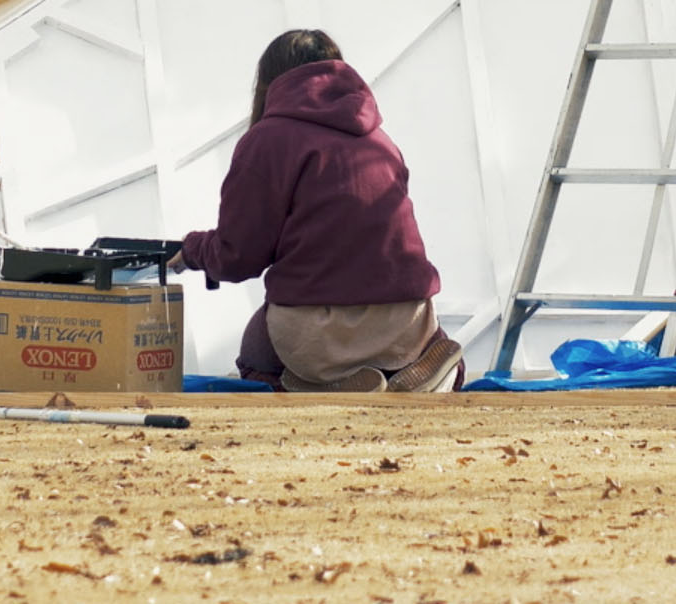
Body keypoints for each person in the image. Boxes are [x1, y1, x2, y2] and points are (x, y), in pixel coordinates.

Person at [175, 29, 463, 393]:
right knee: (425, 350)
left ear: (269, 82)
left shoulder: (268, 140)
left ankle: (324, 386)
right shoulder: (379, 139)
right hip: (407, 318)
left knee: (255, 353)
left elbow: (239, 256)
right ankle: (409, 377)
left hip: (319, 326)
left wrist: (191, 250)